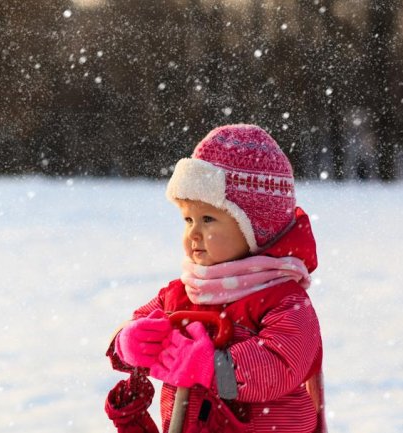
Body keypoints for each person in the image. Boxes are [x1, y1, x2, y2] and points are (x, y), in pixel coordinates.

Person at [105, 124, 326, 433]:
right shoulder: (183, 293)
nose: (193, 233)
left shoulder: (283, 300)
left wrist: (211, 367)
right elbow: (135, 328)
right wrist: (130, 342)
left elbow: (283, 364)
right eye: (188, 219)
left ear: (256, 227)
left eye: (208, 219)